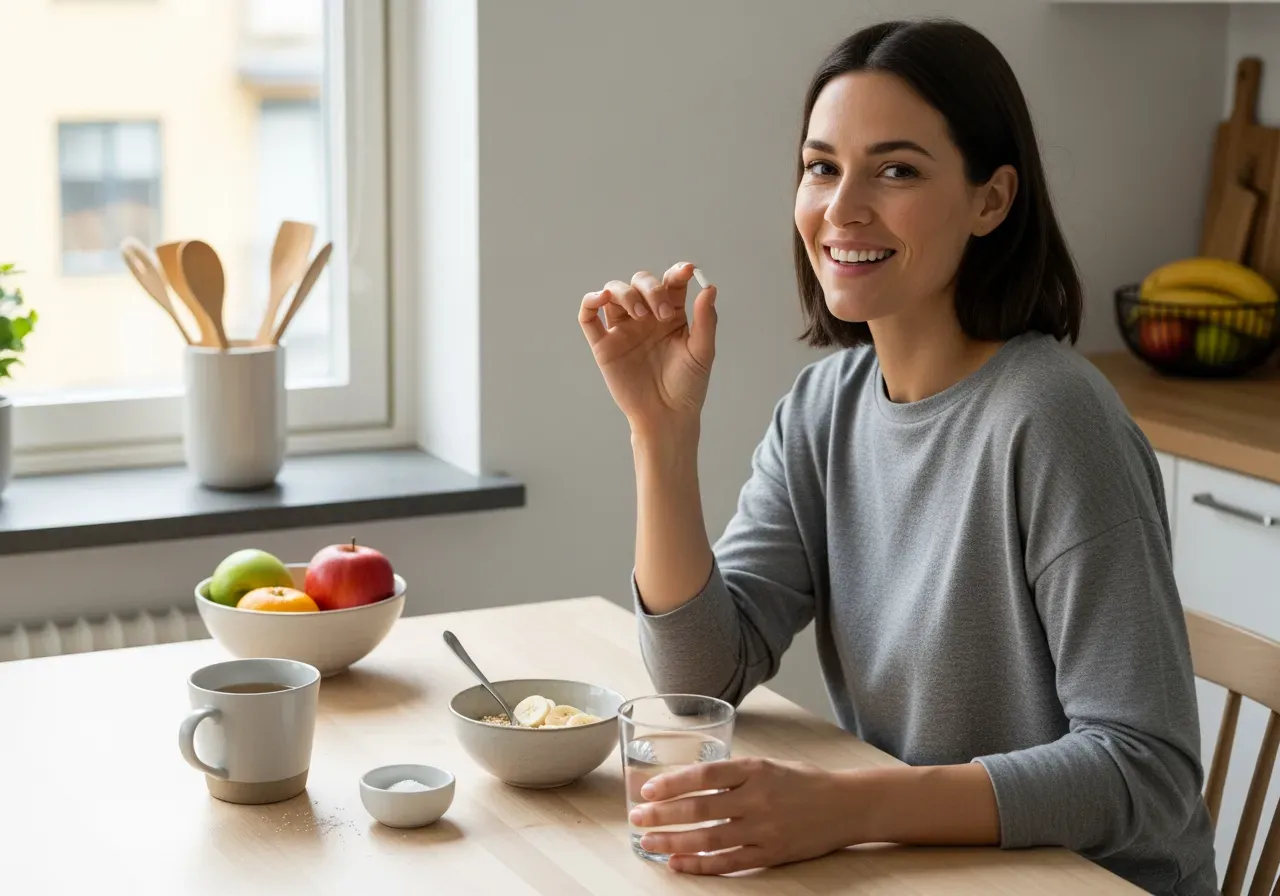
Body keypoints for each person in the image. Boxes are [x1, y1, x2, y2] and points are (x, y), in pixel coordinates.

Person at [577, 17, 1217, 896]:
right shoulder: (825, 409)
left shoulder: (1053, 417)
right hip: (930, 870)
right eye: (821, 166)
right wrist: (662, 433)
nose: (842, 208)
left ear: (992, 200)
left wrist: (851, 808)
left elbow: (1147, 768)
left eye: (897, 169)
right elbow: (701, 672)